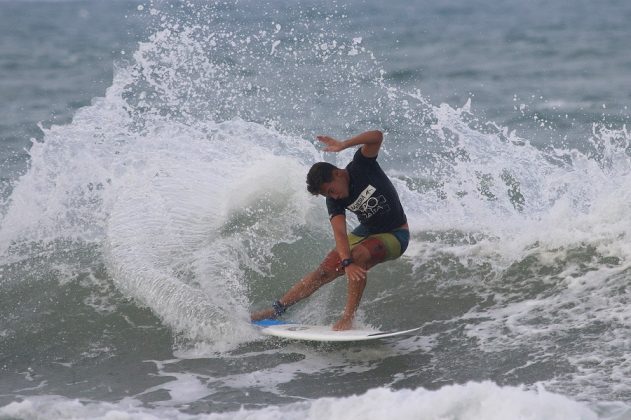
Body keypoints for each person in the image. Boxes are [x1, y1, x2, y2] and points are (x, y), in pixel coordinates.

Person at [250, 130, 409, 330]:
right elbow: (340, 233)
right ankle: (277, 309)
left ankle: (348, 318)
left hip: (396, 233)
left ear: (338, 174)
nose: (333, 196)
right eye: (327, 194)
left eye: (331, 190)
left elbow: (377, 136)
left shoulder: (362, 166)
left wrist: (344, 144)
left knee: (358, 255)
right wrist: (345, 262)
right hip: (366, 232)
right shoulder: (334, 201)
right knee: (325, 270)